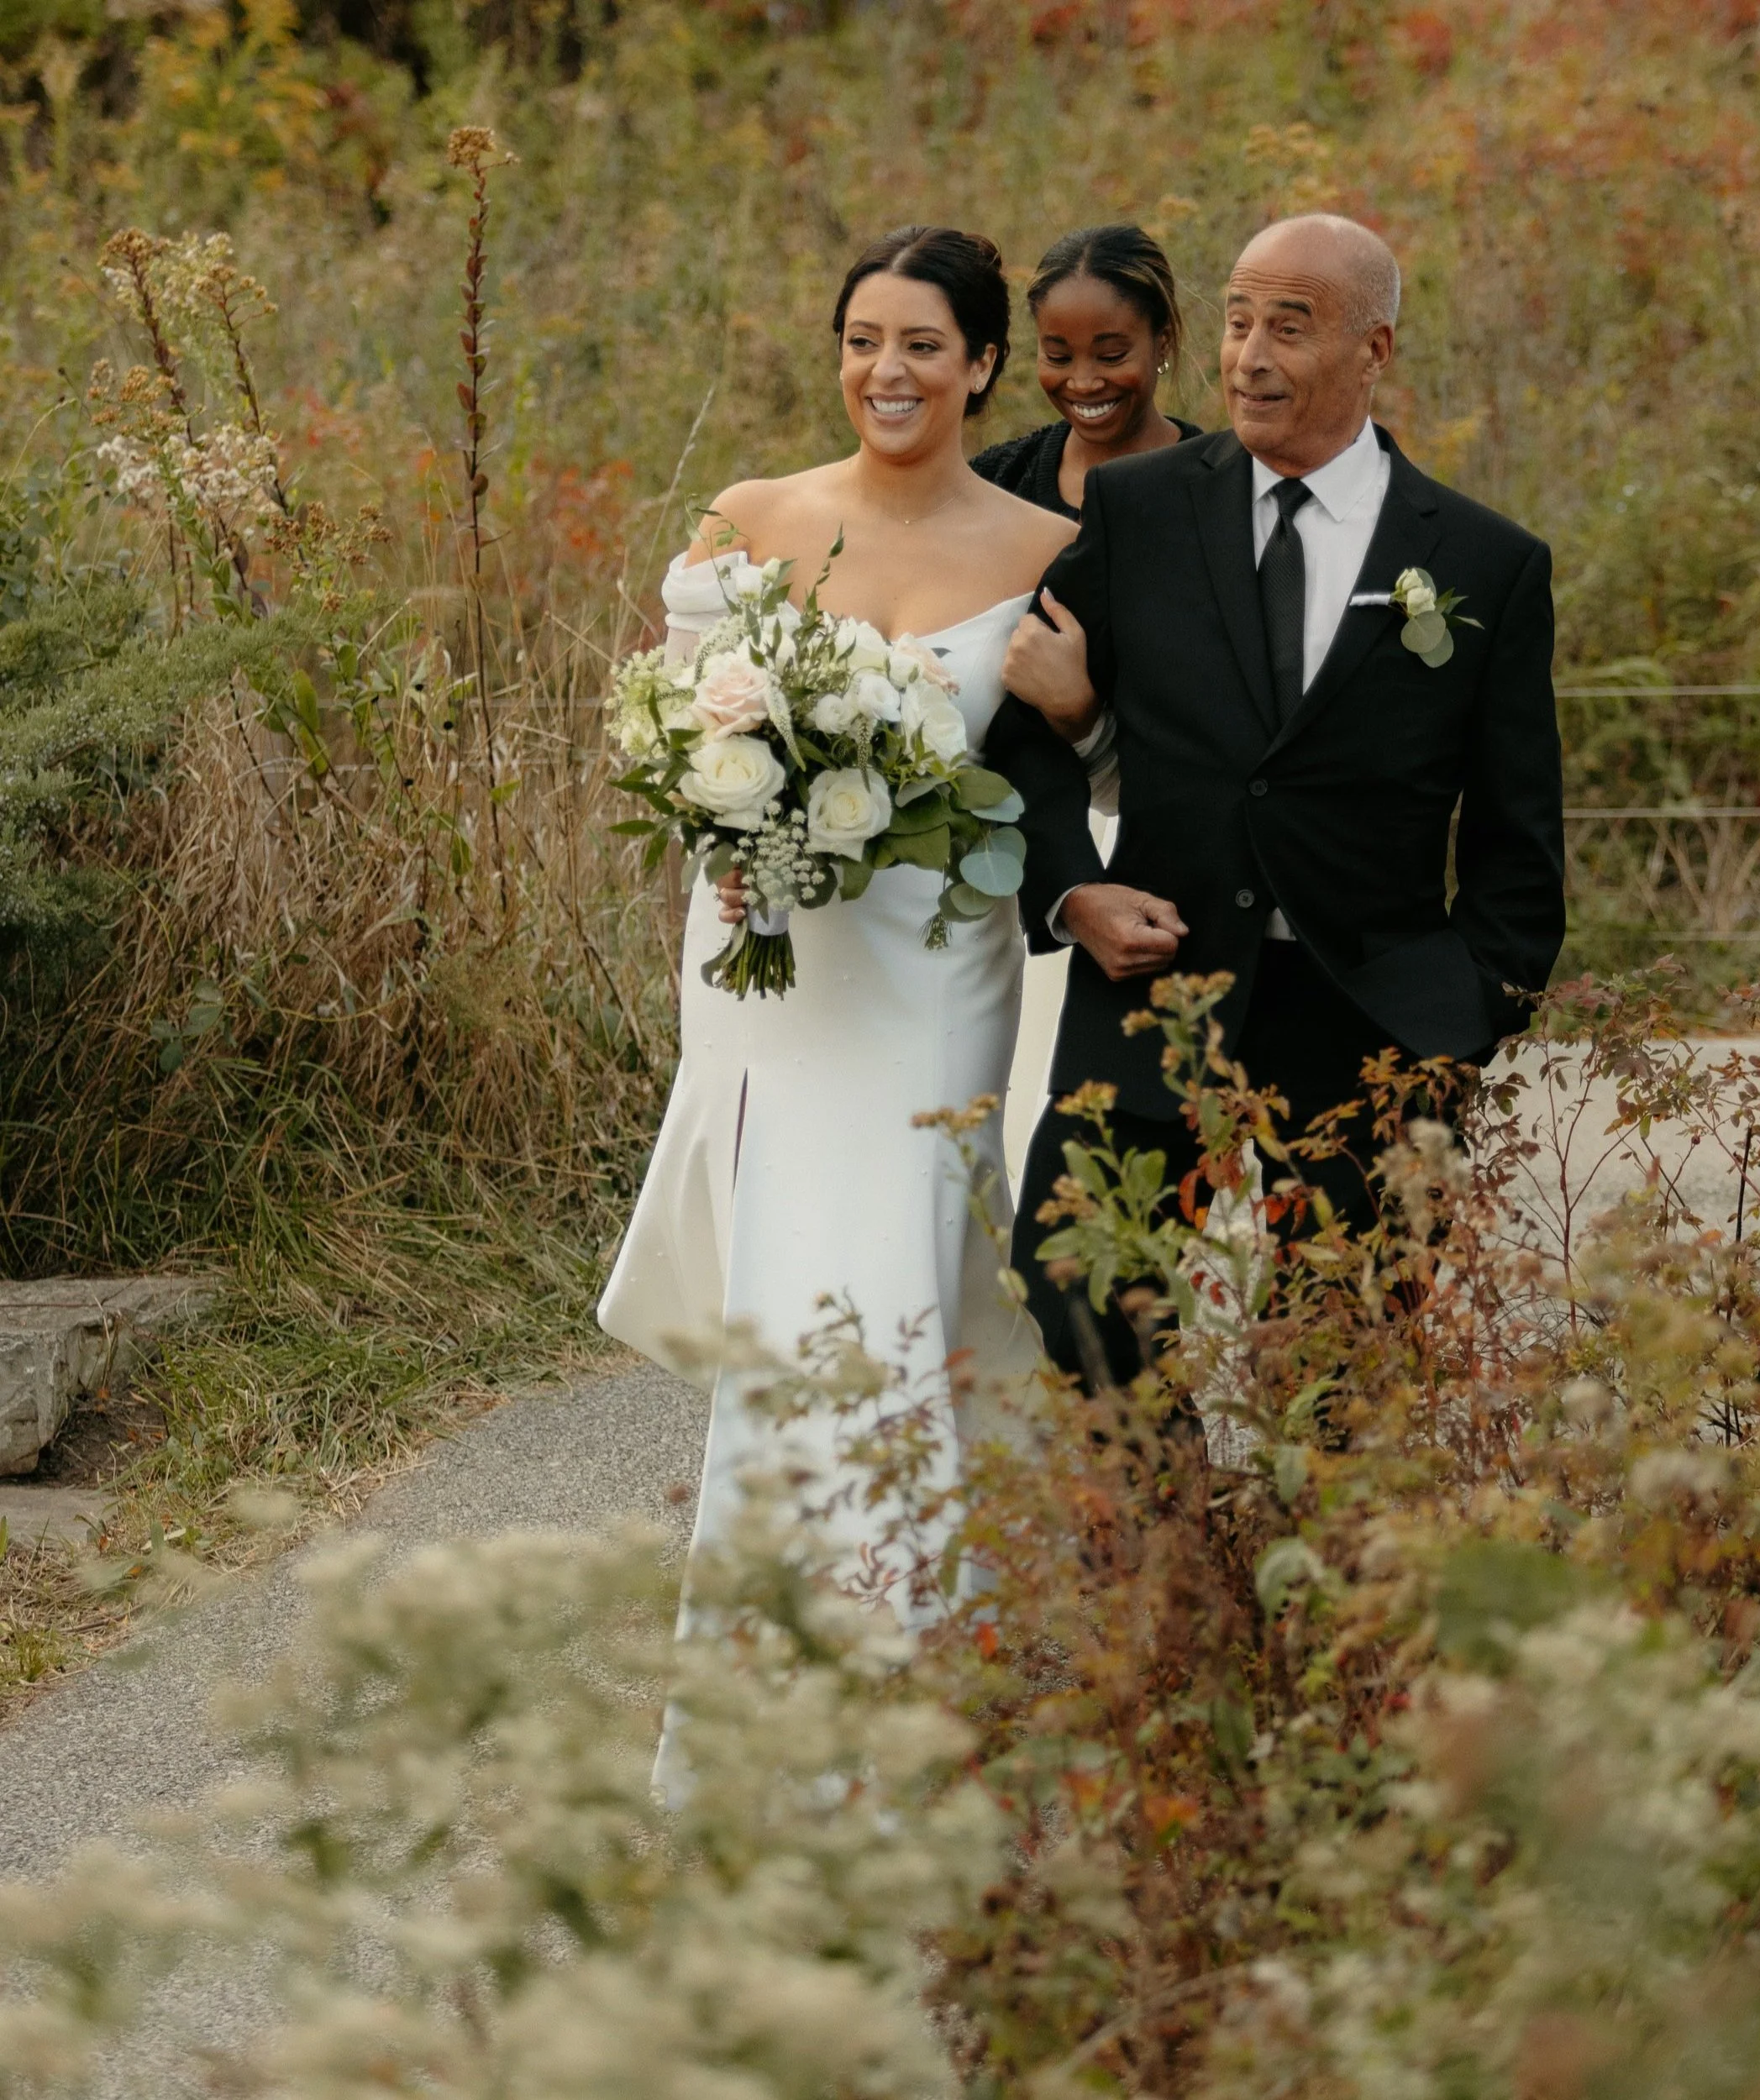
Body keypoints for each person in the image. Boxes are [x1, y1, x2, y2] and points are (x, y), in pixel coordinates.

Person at [988, 213, 1566, 1385]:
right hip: (1159, 986)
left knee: (1348, 1364)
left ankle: (1310, 1518)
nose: (1248, 357)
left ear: (1374, 349)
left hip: (1370, 1019)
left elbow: (1520, 831)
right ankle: (1173, 1505)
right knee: (1078, 1297)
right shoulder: (1140, 509)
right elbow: (1020, 731)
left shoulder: (1485, 562)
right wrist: (1074, 894)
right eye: (1238, 321)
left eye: (1288, 328)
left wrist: (1463, 1018)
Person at [597, 228, 1074, 1646]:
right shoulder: (749, 518)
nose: (888, 370)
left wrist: (1079, 702)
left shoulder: (1050, 549)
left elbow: (1091, 768)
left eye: (923, 344)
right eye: (864, 341)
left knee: (908, 1274)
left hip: (939, 972)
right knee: (792, 1284)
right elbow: (677, 729)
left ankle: (924, 1636)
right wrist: (723, 833)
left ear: (983, 364)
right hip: (774, 965)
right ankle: (776, 1651)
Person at [969, 223, 1202, 522]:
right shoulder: (997, 480)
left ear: (1163, 343)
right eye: (1059, 358)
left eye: (1111, 356)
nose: (1083, 383)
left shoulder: (1218, 488)